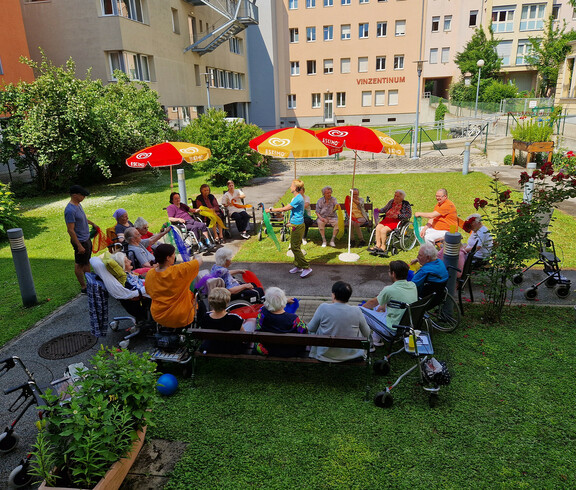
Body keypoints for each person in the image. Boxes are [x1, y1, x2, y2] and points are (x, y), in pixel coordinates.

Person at [307, 281, 371, 362]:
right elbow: (367, 333)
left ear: (333, 295)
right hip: (351, 355)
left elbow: (311, 328)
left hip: (324, 354)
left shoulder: (323, 308)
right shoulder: (357, 311)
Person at [144, 243, 203, 328]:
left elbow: (148, 291)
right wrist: (196, 254)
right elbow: (199, 261)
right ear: (168, 258)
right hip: (181, 316)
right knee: (200, 305)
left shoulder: (150, 273)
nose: (174, 256)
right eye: (173, 255)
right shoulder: (180, 270)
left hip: (159, 315)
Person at [361, 261, 418, 344]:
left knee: (359, 311)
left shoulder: (389, 290)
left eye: (389, 271)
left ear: (393, 274)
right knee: (380, 306)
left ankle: (367, 342)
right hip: (406, 325)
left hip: (391, 329)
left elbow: (373, 302)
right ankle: (376, 340)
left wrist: (361, 308)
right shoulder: (413, 285)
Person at [268, 179, 312, 278]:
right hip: (295, 224)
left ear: (296, 188)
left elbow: (284, 209)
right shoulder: (297, 197)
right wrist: (290, 221)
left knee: (295, 247)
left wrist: (270, 209)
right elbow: (294, 211)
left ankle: (306, 267)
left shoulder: (298, 198)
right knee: (295, 246)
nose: (290, 187)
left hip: (298, 225)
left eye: (292, 185)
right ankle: (298, 266)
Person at [255, 287, 308, 357]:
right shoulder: (293, 319)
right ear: (283, 301)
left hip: (266, 349)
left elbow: (258, 326)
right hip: (289, 351)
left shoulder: (262, 313)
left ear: (267, 301)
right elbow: (304, 330)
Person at [64, 185, 97, 294]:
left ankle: (90, 283)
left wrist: (92, 223)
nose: (84, 197)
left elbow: (81, 218)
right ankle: (84, 287)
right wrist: (79, 245)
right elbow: (70, 230)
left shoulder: (78, 205)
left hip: (86, 238)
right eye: (82, 195)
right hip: (80, 241)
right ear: (74, 195)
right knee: (79, 264)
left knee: (86, 262)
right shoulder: (70, 210)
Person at [200, 287, 253, 354]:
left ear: (211, 303)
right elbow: (244, 337)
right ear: (227, 303)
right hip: (231, 349)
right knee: (252, 321)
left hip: (211, 347)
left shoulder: (205, 317)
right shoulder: (235, 318)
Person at [110, 251, 151, 323]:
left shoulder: (131, 274)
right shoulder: (127, 279)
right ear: (122, 265)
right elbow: (136, 294)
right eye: (127, 261)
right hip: (141, 301)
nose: (130, 261)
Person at [368, 190, 412, 255]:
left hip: (396, 221)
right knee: (377, 228)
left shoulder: (406, 204)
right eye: (395, 196)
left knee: (383, 230)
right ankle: (377, 245)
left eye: (398, 196)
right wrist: (379, 210)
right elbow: (385, 209)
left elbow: (408, 215)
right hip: (387, 219)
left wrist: (398, 216)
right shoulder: (391, 201)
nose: (396, 197)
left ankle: (383, 247)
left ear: (402, 197)